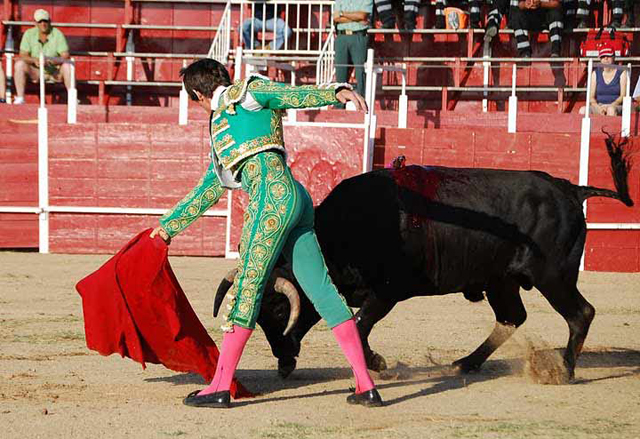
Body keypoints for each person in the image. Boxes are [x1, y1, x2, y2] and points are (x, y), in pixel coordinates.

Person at [150, 59, 383, 409]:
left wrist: (335, 91)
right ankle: (365, 385)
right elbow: (212, 185)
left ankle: (219, 386)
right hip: (295, 197)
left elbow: (290, 94)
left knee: (247, 285)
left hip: (271, 199)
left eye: (195, 100)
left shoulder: (246, 94)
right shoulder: (235, 110)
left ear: (198, 94)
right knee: (322, 289)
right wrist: (169, 227)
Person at [14, 9, 71, 104]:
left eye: (45, 21)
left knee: (68, 66)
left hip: (54, 72)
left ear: (50, 22)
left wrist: (51, 60)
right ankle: (20, 98)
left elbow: (65, 56)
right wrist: (35, 60)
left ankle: (72, 98)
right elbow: (23, 55)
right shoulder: (29, 34)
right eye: (40, 22)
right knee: (19, 64)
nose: (43, 24)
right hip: (36, 72)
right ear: (35, 23)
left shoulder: (57, 34)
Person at [333, 0, 373, 108]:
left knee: (361, 73)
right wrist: (357, 18)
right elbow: (335, 17)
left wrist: (343, 14)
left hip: (359, 36)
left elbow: (363, 15)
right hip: (342, 36)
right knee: (340, 73)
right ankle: (339, 107)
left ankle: (362, 106)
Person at [580, 42, 628, 116]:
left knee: (611, 110)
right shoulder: (595, 73)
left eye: (609, 56)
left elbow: (623, 96)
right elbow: (591, 97)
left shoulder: (622, 72)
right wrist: (598, 107)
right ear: (600, 59)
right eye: (603, 56)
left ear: (614, 57)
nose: (606, 58)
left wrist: (612, 105)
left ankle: (613, 127)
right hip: (599, 106)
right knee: (583, 110)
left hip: (617, 106)